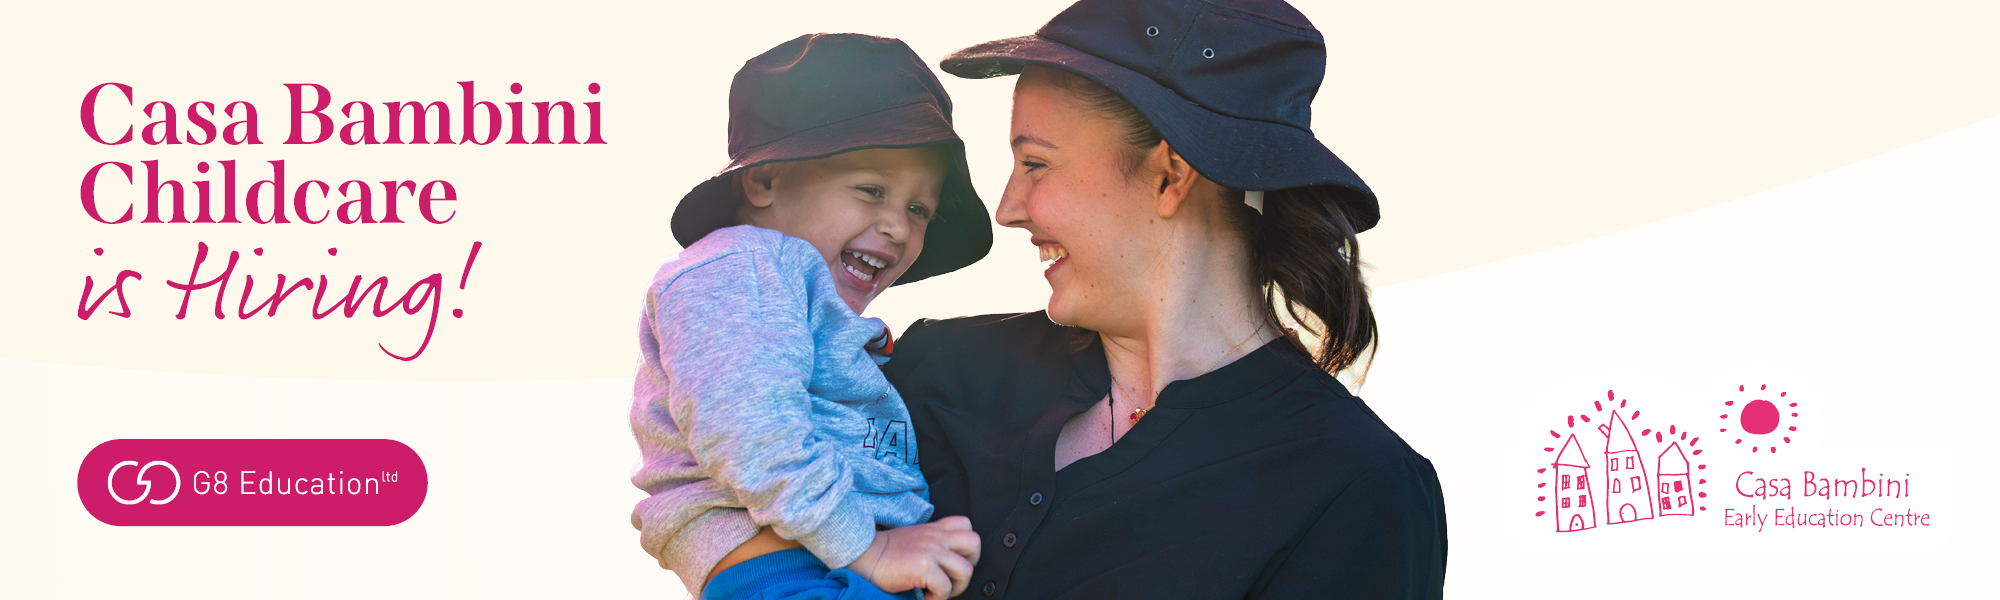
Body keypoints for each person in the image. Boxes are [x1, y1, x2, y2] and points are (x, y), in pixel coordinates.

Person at [883, 0, 1447, 597]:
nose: (1009, 208)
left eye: (1035, 163)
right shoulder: (938, 367)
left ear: (1171, 173)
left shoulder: (1353, 484)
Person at [628, 33, 989, 600]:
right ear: (764, 180)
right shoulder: (737, 266)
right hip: (793, 572)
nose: (898, 225)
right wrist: (869, 549)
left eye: (919, 209)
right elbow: (753, 428)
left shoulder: (788, 293)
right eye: (872, 189)